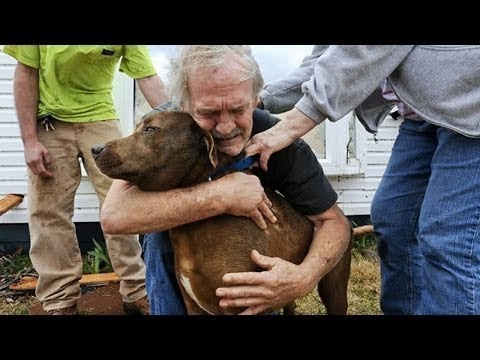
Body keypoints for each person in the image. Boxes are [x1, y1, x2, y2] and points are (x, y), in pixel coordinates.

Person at [100, 45, 352, 315]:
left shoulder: (279, 138)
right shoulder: (166, 126)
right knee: (157, 233)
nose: (226, 127)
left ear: (255, 99)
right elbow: (114, 215)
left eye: (237, 108)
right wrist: (221, 196)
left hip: (258, 245)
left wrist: (303, 277)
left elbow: (334, 222)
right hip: (188, 243)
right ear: (183, 105)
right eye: (208, 113)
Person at [247, 45, 480, 315]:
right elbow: (328, 60)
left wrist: (291, 125)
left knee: (448, 238)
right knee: (395, 221)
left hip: (471, 108)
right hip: (424, 115)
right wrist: (257, 101)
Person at [2, 45, 169, 315]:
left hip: (100, 117)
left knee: (123, 203)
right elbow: (26, 72)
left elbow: (147, 77)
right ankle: (60, 301)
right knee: (49, 213)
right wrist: (30, 141)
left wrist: (180, 119)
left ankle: (137, 290)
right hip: (50, 121)